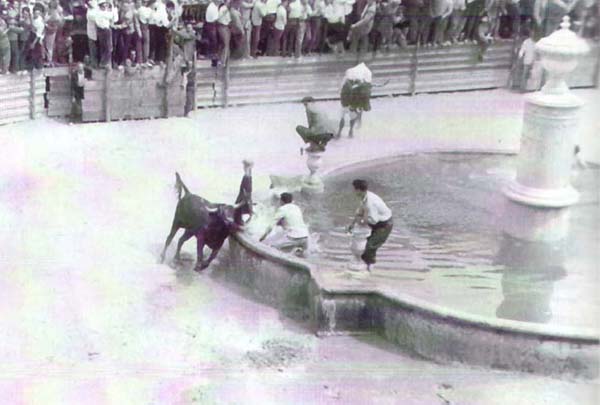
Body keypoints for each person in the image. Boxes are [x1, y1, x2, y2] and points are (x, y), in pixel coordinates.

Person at [347, 179, 393, 271]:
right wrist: (352, 223)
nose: (353, 191)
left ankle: (369, 268)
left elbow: (373, 220)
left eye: (354, 189)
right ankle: (366, 264)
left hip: (384, 225)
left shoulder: (371, 202)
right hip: (377, 222)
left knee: (370, 246)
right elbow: (360, 211)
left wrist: (361, 221)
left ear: (359, 190)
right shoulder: (365, 196)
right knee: (366, 245)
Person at [337, 62, 372, 138]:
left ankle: (350, 130)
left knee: (352, 114)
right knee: (345, 112)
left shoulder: (361, 78)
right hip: (347, 98)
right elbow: (342, 87)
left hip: (355, 99)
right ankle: (342, 131)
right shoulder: (348, 79)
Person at [234, 159, 254, 224]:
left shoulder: (247, 179)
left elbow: (247, 197)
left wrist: (237, 206)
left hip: (243, 207)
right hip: (243, 205)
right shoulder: (247, 178)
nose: (243, 168)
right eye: (244, 166)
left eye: (245, 166)